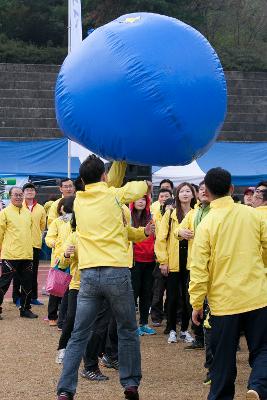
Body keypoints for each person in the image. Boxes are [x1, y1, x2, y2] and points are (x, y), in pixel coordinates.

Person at [56, 154, 150, 400]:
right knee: (127, 328)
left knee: (79, 333)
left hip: (88, 274)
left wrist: (115, 165)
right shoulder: (113, 195)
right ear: (104, 176)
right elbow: (140, 187)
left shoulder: (78, 201)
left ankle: (66, 390)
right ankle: (130, 384)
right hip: (116, 271)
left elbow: (108, 184)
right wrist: (124, 158)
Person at [189, 167, 267, 400]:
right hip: (257, 296)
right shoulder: (252, 214)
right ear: (232, 189)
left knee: (222, 361)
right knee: (263, 349)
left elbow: (199, 268)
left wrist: (196, 302)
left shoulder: (206, 225)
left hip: (224, 303)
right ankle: (259, 386)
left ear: (207, 193)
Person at [155, 182, 196, 344]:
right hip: (172, 260)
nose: (185, 194)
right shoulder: (170, 213)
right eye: (182, 191)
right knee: (171, 297)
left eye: (188, 191)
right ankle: (172, 329)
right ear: (177, 195)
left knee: (188, 297)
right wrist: (162, 261)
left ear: (193, 194)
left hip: (191, 261)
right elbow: (161, 239)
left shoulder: (196, 212)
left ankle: (185, 330)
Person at [176, 180, 210, 350]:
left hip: (215, 265)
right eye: (201, 189)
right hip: (195, 264)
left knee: (213, 302)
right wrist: (180, 232)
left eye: (206, 189)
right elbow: (178, 231)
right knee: (195, 300)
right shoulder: (193, 213)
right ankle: (199, 336)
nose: (203, 192)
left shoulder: (217, 212)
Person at [0, 187, 38, 319]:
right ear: (10, 196)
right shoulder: (4, 213)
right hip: (10, 255)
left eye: (20, 195)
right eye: (15, 195)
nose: (18, 197)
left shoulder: (28, 213)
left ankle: (25, 309)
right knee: (3, 284)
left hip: (27, 254)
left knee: (27, 284)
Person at [12, 183, 46, 307]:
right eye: (27, 190)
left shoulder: (41, 208)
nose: (30, 191)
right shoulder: (19, 207)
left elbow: (42, 225)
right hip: (20, 244)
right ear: (23, 193)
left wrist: (37, 236)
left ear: (35, 193)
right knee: (18, 272)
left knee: (33, 272)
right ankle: (17, 297)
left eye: (32, 189)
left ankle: (33, 297)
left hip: (35, 245)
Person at [45, 197, 74, 327]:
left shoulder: (78, 221)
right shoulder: (57, 222)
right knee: (56, 289)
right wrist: (56, 244)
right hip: (59, 258)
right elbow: (49, 238)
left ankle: (64, 317)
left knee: (69, 290)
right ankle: (52, 316)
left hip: (73, 259)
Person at [130, 195, 156, 336]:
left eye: (143, 199)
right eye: (138, 199)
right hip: (134, 261)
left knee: (147, 293)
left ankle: (144, 323)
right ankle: (133, 325)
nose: (141, 201)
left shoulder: (151, 217)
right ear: (132, 201)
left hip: (150, 260)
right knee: (133, 293)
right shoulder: (128, 217)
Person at [150, 188, 173, 326]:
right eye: (161, 196)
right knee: (158, 289)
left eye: (167, 196)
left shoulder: (177, 214)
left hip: (175, 257)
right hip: (159, 256)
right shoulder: (155, 215)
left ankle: (172, 315)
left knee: (174, 290)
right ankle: (156, 316)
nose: (164, 198)